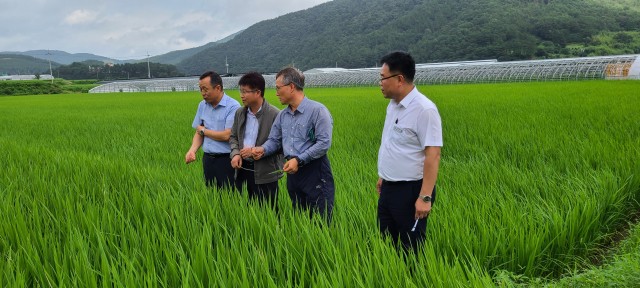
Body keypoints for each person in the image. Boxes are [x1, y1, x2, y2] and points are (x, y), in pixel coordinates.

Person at [376, 51, 442, 253]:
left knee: (410, 250)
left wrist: (425, 197)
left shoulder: (424, 109)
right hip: (388, 188)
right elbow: (393, 143)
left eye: (382, 78)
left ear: (399, 79)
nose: (379, 83)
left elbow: (433, 155)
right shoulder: (393, 105)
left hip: (411, 190)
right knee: (387, 243)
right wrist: (383, 176)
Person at [252, 67, 335, 224]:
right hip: (293, 172)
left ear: (291, 87)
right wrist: (262, 149)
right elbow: (274, 140)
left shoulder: (317, 111)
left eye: (278, 88)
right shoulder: (283, 115)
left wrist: (299, 160)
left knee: (321, 221)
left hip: (315, 171)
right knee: (300, 218)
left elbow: (324, 143)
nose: (276, 92)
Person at [229, 72, 284, 207]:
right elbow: (233, 136)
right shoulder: (240, 113)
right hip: (242, 169)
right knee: (244, 211)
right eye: (240, 91)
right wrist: (235, 153)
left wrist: (258, 151)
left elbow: (281, 145)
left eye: (245, 91)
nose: (241, 95)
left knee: (269, 212)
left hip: (266, 171)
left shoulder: (275, 115)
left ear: (258, 92)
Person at [185, 70, 240, 189]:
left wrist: (204, 131)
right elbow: (198, 132)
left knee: (229, 197)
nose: (203, 93)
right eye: (200, 89)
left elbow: (227, 135)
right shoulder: (202, 105)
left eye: (205, 89)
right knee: (211, 195)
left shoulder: (233, 106)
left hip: (226, 161)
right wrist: (192, 151)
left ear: (218, 88)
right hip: (208, 159)